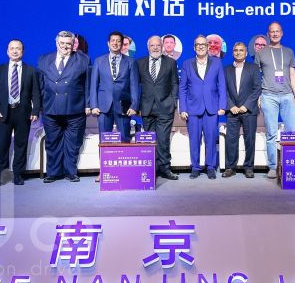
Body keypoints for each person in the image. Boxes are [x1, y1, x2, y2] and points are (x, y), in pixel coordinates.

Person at [37, 30, 91, 183]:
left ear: (74, 44)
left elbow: (88, 84)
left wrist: (88, 104)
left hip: (75, 108)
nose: (65, 46)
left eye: (68, 43)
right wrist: (40, 105)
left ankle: (70, 172)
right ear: (56, 43)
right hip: (50, 108)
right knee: (52, 142)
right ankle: (53, 173)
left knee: (73, 143)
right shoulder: (43, 59)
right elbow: (40, 84)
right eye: (62, 43)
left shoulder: (83, 59)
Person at [0, 39, 41, 186]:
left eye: (18, 48)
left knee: (20, 145)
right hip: (3, 113)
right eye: (12, 48)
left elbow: (36, 93)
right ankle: (1, 175)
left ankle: (18, 174)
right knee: (2, 145)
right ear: (7, 51)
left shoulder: (31, 70)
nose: (15, 51)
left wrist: (35, 110)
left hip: (23, 112)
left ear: (22, 51)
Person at [255, 21, 295, 179]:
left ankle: (291, 165)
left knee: (291, 132)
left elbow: (293, 74)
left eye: (277, 31)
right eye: (272, 31)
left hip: (288, 95)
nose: (274, 34)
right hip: (268, 96)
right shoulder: (261, 53)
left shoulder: (288, 52)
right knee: (271, 133)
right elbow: (256, 77)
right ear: (268, 34)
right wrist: (259, 95)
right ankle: (273, 167)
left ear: (282, 33)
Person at [178, 35, 226, 179]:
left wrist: (222, 106)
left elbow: (222, 85)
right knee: (194, 140)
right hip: (192, 108)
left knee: (211, 139)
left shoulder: (217, 63)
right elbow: (182, 88)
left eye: (203, 45)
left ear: (207, 47)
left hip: (212, 108)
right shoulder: (187, 64)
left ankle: (210, 167)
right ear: (194, 47)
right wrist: (183, 108)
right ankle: (195, 167)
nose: (200, 47)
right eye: (198, 45)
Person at [137, 35, 179, 180]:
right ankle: (151, 169)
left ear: (162, 47)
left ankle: (165, 169)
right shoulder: (140, 63)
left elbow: (175, 83)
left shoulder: (171, 62)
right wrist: (137, 105)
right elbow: (136, 85)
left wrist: (173, 101)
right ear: (148, 47)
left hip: (165, 107)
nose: (155, 48)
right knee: (149, 141)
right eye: (152, 45)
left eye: (158, 45)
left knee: (163, 140)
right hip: (147, 108)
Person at [89, 31, 140, 142]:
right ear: (108, 43)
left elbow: (134, 85)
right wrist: (93, 105)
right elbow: (93, 85)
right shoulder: (99, 61)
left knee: (125, 139)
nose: (115, 43)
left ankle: (124, 154)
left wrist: (134, 106)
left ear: (122, 44)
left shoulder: (131, 62)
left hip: (123, 106)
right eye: (113, 41)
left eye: (118, 41)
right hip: (103, 107)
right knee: (104, 140)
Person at [222, 42, 262, 179]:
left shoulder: (253, 68)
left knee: (249, 139)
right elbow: (223, 90)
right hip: (232, 110)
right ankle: (230, 167)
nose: (238, 52)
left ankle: (249, 167)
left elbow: (257, 89)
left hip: (248, 110)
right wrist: (230, 105)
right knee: (231, 140)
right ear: (232, 52)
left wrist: (246, 105)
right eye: (236, 50)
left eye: (241, 50)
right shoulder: (226, 70)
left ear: (246, 53)